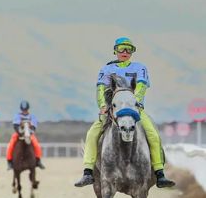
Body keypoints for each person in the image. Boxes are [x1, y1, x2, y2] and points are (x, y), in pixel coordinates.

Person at [75, 37, 175, 188]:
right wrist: (102, 105)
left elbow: (141, 86)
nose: (125, 52)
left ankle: (159, 173)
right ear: (115, 50)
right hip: (112, 110)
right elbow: (100, 89)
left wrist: (137, 102)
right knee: (92, 134)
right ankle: (88, 172)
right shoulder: (106, 69)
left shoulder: (140, 68)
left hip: (135, 110)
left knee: (153, 135)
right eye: (121, 48)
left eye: (129, 49)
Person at [5, 101, 44, 170]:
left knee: (36, 145)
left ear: (28, 109)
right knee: (11, 144)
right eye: (23, 110)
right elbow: (16, 126)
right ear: (21, 109)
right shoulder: (17, 116)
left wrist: (30, 133)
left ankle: (38, 160)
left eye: (25, 110)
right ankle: (9, 161)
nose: (24, 111)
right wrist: (20, 133)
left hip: (29, 133)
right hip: (19, 133)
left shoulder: (32, 116)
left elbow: (33, 127)